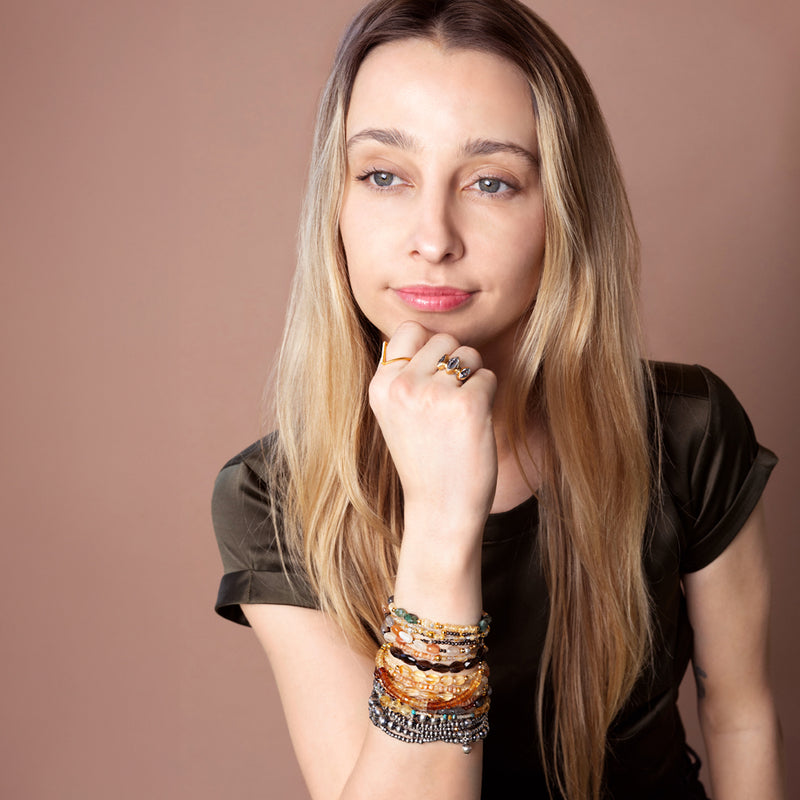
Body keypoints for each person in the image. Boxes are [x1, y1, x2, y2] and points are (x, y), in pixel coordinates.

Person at [211, 1, 784, 797]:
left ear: (564, 214)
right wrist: (444, 520)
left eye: (491, 181)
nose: (434, 235)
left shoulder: (688, 430)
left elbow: (739, 712)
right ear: (335, 206)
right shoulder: (272, 497)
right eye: (384, 175)